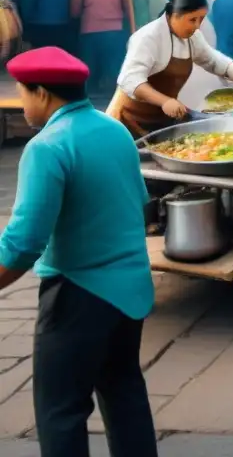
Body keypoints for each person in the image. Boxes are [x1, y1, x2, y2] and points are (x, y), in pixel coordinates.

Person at [0, 47, 157, 457]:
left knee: (61, 411)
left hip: (77, 294)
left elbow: (22, 243)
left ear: (43, 94)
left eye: (23, 93)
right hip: (131, 292)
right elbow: (137, 200)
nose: (22, 102)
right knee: (124, 392)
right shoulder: (115, 130)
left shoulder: (46, 147)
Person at [111, 0, 233, 137]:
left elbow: (213, 60)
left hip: (160, 120)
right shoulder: (147, 37)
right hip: (128, 121)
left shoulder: (193, 37)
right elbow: (129, 79)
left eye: (201, 19)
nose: (197, 26)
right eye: (192, 20)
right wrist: (164, 101)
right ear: (175, 15)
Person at [70, 0, 129, 97]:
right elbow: (127, 5)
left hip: (90, 30)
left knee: (89, 65)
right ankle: (118, 96)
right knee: (114, 65)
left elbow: (75, 11)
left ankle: (87, 95)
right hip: (115, 29)